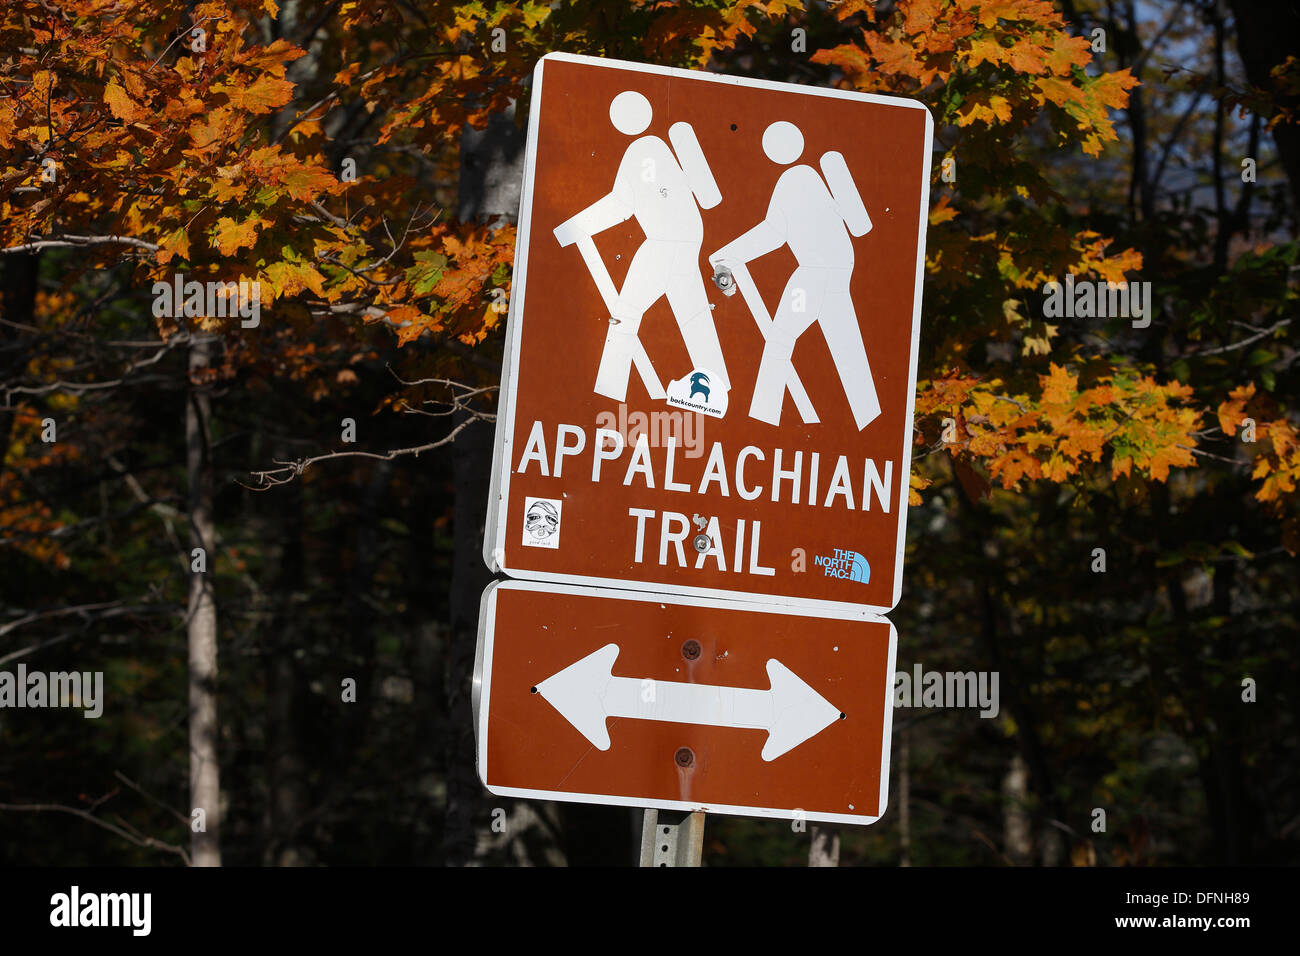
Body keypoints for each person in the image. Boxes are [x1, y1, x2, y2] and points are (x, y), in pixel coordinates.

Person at [554, 90, 730, 403]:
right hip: (688, 244)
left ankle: (608, 395)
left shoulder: (641, 151)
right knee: (694, 315)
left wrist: (569, 231)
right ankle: (717, 394)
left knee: (627, 313)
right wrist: (568, 232)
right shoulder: (663, 147)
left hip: (664, 244)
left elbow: (621, 204)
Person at [709, 121, 881, 430]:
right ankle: (870, 422)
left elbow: (774, 232)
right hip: (837, 273)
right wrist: (727, 258)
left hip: (815, 274)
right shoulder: (813, 177)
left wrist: (725, 258)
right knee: (846, 345)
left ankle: (762, 422)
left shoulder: (794, 180)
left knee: (780, 340)